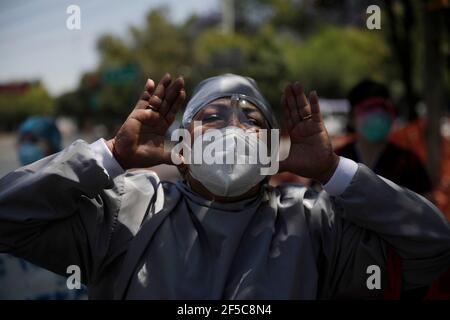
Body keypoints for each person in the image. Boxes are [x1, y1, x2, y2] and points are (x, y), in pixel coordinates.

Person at [0, 74, 449, 299]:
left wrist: (335, 170)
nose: (232, 129)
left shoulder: (313, 219)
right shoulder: (129, 209)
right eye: (212, 118)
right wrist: (110, 155)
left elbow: (432, 246)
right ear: (180, 144)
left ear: (273, 146)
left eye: (251, 119)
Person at [0, 116, 86, 299]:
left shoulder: (79, 199)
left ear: (52, 143)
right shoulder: (8, 199)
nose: (25, 147)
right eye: (21, 141)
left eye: (33, 141)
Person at [336, 79, 432, 195]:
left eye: (384, 108)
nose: (378, 115)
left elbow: (425, 207)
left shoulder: (409, 162)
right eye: (369, 109)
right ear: (351, 118)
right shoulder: (337, 161)